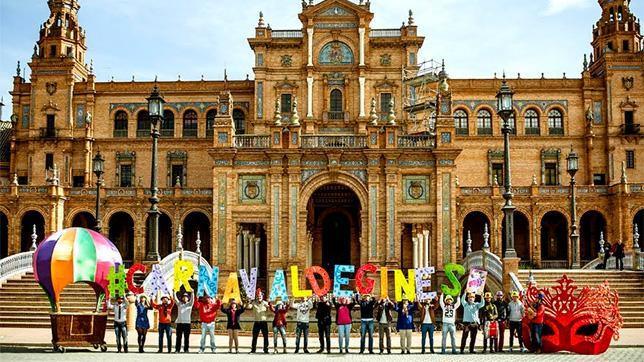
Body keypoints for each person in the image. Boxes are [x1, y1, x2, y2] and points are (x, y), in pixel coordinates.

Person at [247, 289, 270, 354]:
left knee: (265, 336)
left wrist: (269, 306)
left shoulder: (266, 303)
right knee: (254, 337)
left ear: (262, 296)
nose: (259, 297)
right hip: (256, 322)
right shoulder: (254, 303)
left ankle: (266, 349)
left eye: (260, 296)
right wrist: (248, 301)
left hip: (263, 322)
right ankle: (253, 350)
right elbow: (248, 307)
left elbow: (270, 310)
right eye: (258, 296)